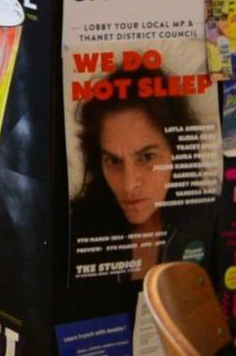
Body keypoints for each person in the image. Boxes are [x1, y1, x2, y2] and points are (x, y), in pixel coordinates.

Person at [67, 91, 212, 289]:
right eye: (113, 161)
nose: (129, 185)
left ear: (177, 152)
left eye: (146, 157)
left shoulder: (212, 218)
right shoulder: (75, 229)